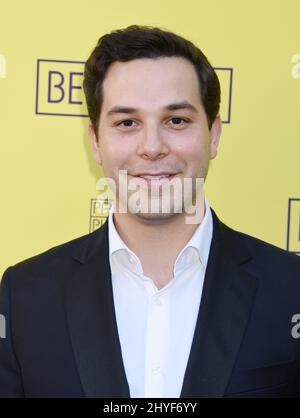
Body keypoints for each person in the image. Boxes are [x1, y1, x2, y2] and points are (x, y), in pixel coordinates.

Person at [0, 25, 300, 398]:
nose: (153, 147)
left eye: (176, 120)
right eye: (127, 123)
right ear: (95, 142)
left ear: (214, 135)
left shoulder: (291, 289)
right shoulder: (25, 294)